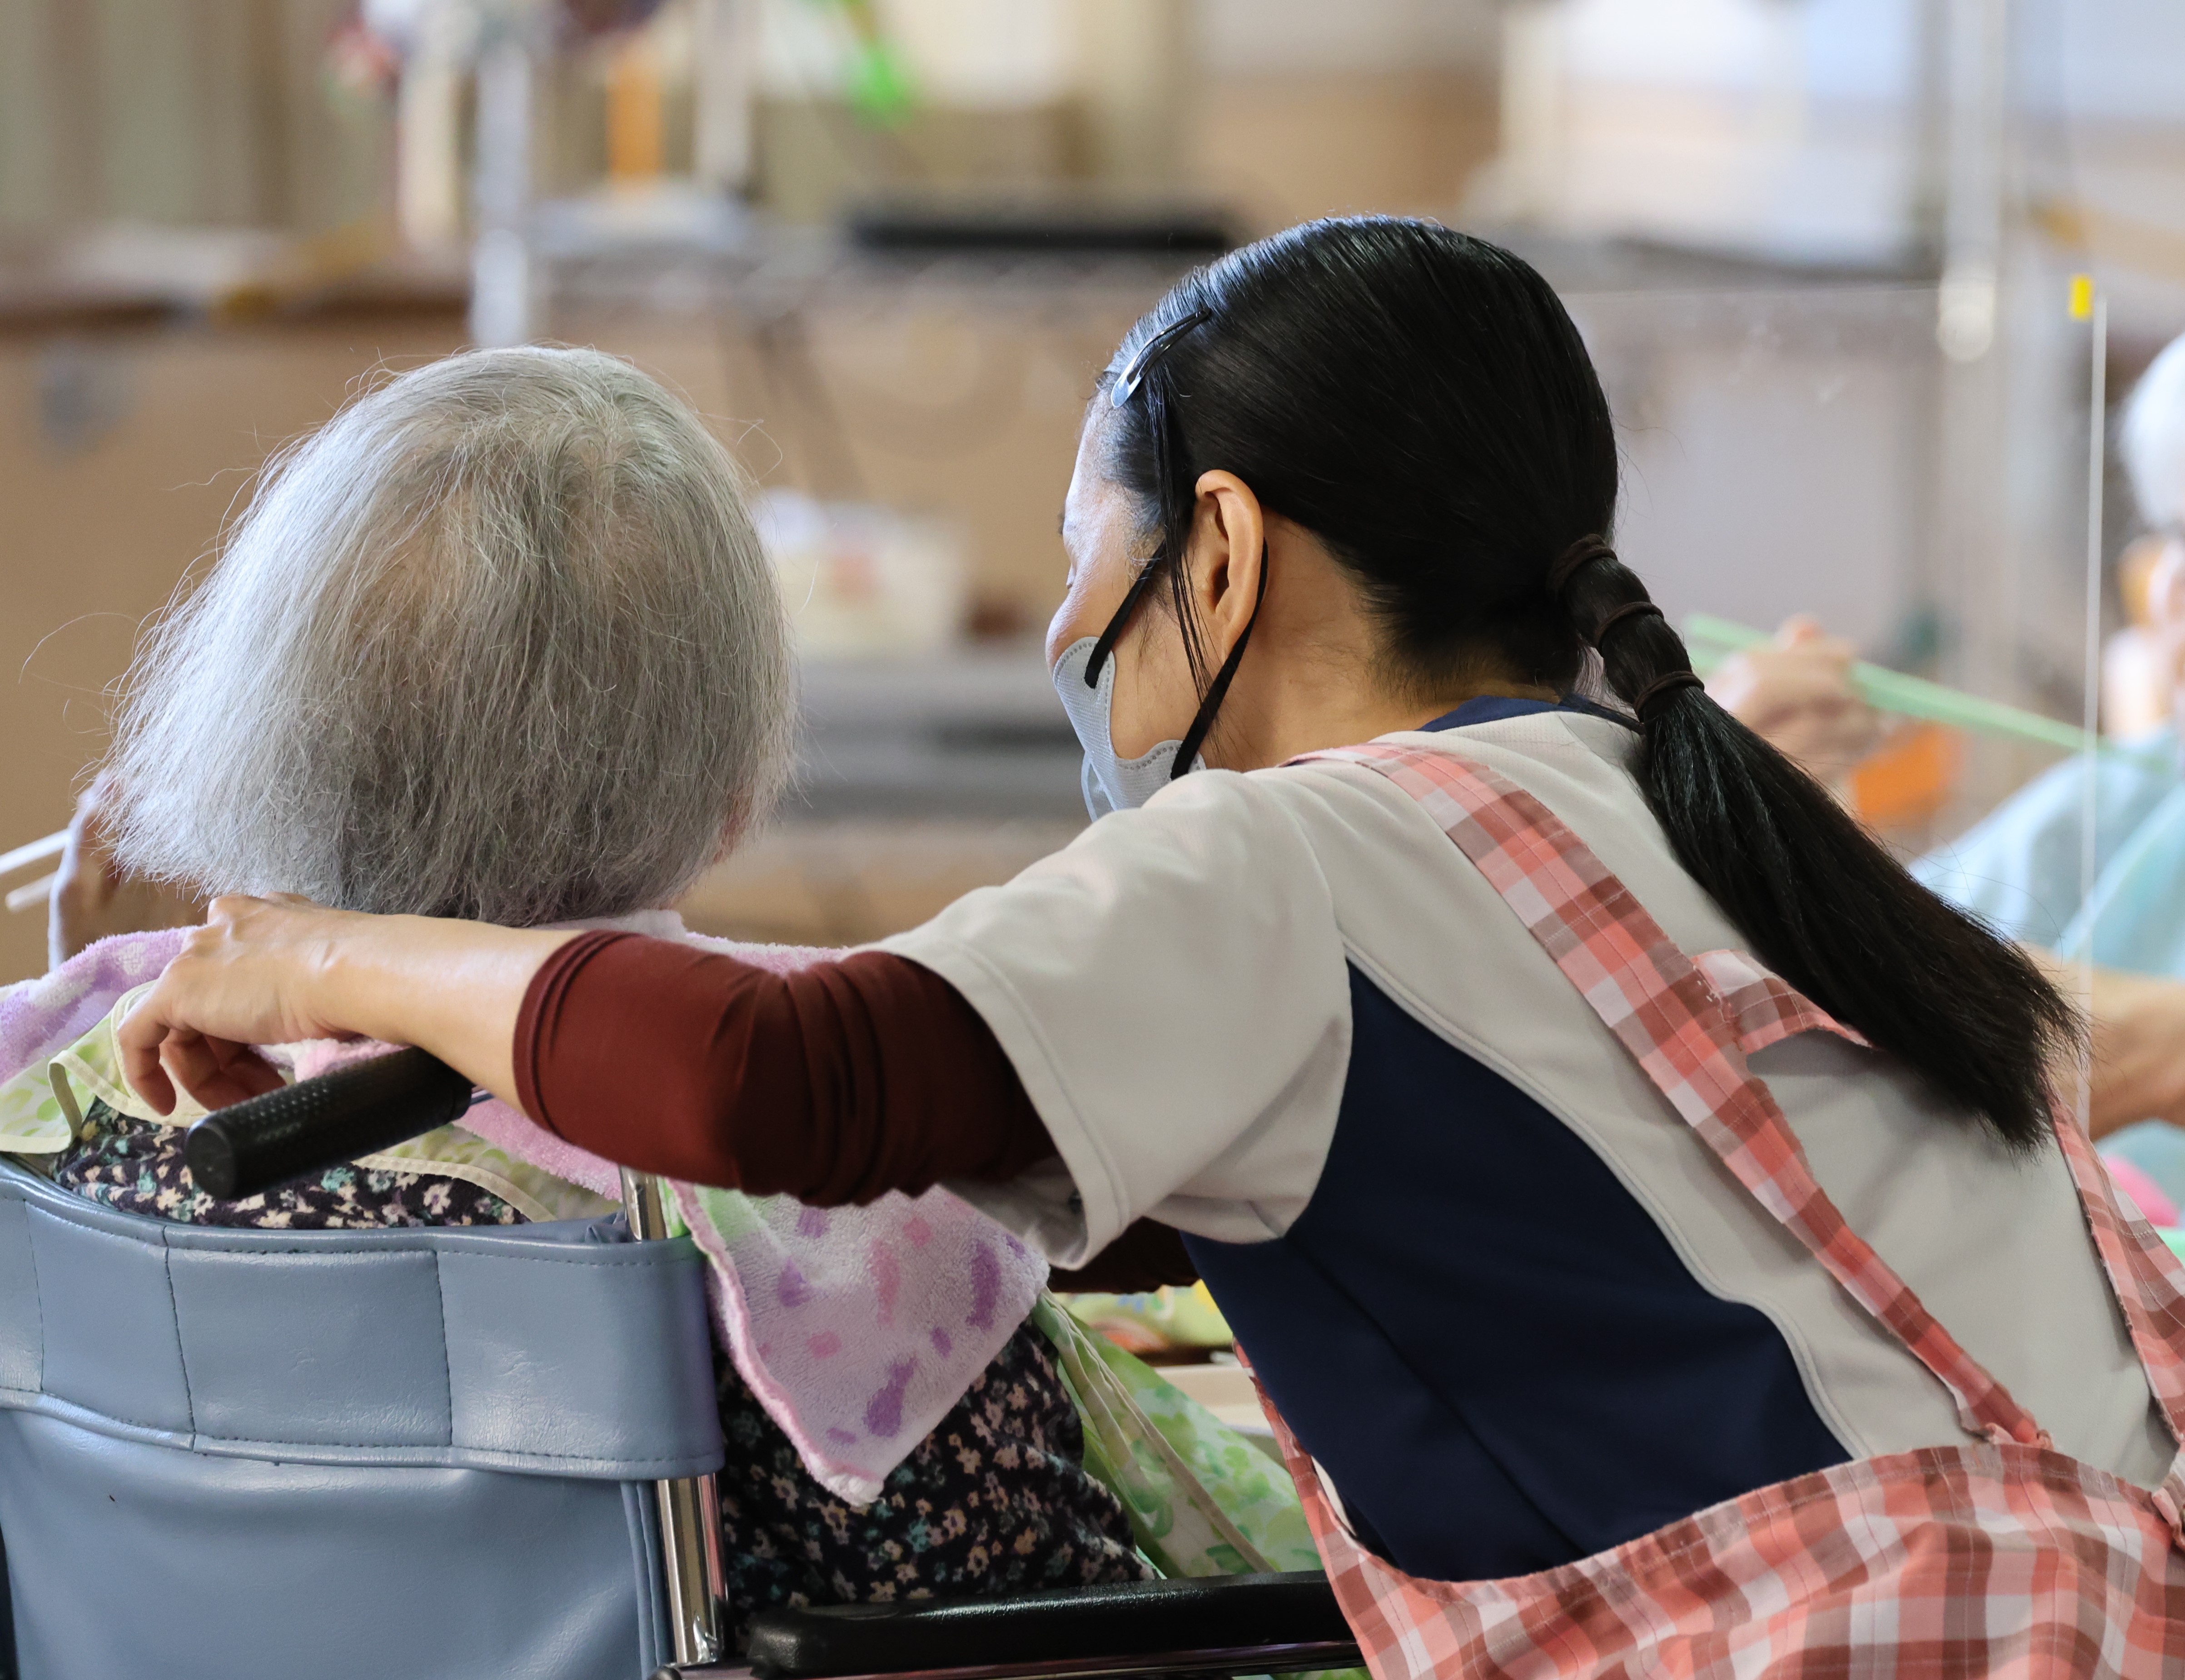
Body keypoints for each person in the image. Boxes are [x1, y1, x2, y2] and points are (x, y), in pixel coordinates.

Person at [115, 220, 2185, 1671]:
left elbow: (776, 1081)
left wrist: (320, 961)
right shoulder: (1668, 796)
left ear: (1219, 549)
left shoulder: (1283, 864)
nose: (1057, 626)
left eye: (1075, 551)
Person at [0, 345, 1145, 1633]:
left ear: (257, 723)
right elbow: (1033, 1616)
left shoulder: (62, 1107)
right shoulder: (824, 1190)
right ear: (728, 789)